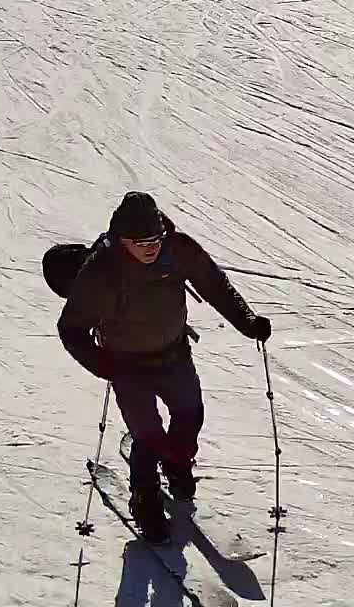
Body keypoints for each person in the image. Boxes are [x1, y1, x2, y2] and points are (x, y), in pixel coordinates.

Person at [57, 192, 273, 544]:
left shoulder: (178, 249)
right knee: (148, 436)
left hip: (173, 353)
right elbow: (71, 329)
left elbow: (214, 284)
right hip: (126, 365)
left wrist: (247, 321)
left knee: (191, 415)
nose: (151, 247)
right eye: (141, 242)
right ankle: (146, 502)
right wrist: (102, 364)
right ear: (122, 240)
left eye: (155, 239)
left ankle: (177, 463)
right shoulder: (101, 270)